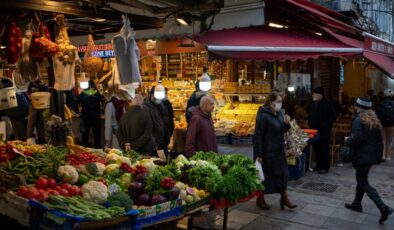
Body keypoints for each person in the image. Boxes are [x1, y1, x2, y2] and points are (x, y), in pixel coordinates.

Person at [344, 97, 393, 224]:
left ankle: (383, 208)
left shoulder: (359, 119)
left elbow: (357, 138)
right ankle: (357, 203)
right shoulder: (374, 119)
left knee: (363, 182)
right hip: (372, 155)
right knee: (361, 179)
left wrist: (348, 141)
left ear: (359, 106)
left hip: (362, 155)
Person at [253, 91, 296, 210]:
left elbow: (282, 129)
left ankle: (284, 198)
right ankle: (260, 199)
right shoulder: (263, 115)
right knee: (265, 177)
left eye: (281, 101)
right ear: (271, 102)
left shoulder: (279, 114)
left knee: (283, 175)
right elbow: (258, 135)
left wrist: (287, 124)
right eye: (278, 101)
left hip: (278, 150)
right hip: (267, 152)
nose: (280, 104)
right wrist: (259, 154)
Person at [307, 86, 337, 174]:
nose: (313, 95)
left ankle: (325, 167)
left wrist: (325, 124)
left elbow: (333, 117)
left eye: (315, 94)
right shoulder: (312, 103)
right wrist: (310, 123)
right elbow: (309, 114)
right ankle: (318, 165)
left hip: (324, 131)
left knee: (324, 149)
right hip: (314, 130)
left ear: (321, 95)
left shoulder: (328, 104)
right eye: (313, 93)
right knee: (317, 148)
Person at [77, 80, 104, 148]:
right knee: (97, 136)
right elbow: (104, 101)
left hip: (86, 117)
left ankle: (84, 151)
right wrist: (102, 111)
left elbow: (75, 103)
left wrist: (78, 112)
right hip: (96, 117)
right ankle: (98, 151)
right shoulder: (97, 93)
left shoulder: (83, 93)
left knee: (85, 137)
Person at [144, 87, 168, 156]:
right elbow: (148, 128)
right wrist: (154, 143)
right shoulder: (146, 107)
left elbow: (165, 122)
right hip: (153, 145)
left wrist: (167, 138)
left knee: (164, 162)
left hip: (162, 142)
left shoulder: (162, 105)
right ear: (151, 95)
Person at [376, 89, 394, 160]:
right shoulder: (393, 104)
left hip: (382, 124)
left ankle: (382, 155)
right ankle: (388, 156)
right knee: (389, 140)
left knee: (383, 139)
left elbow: (377, 114)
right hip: (391, 124)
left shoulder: (380, 103)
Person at [163, 88, 175, 156]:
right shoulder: (167, 104)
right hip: (163, 135)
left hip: (165, 134)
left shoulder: (167, 104)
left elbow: (170, 119)